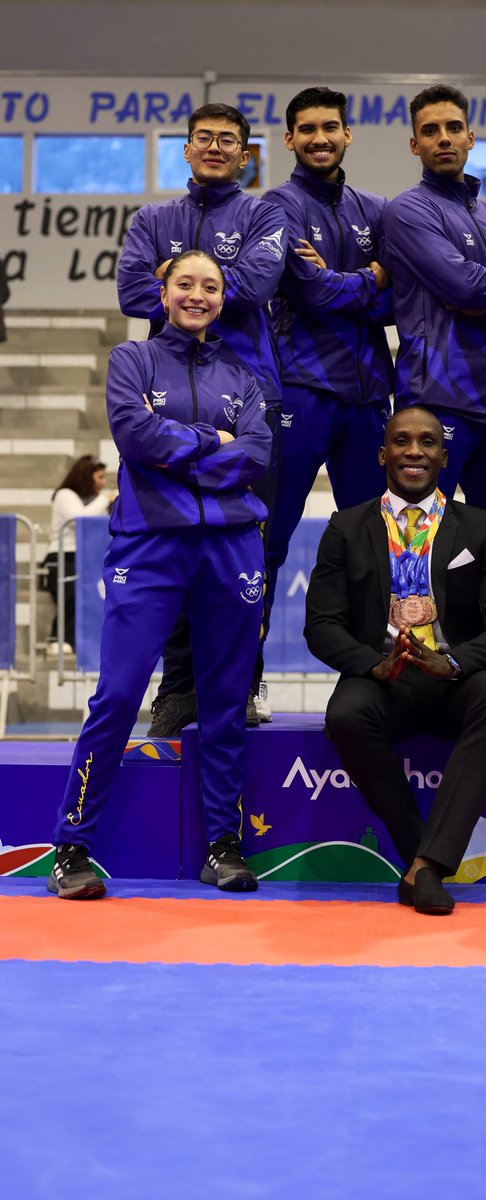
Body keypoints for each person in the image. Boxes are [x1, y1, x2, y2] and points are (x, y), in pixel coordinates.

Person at [48, 251, 271, 900]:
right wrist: (212, 444)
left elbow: (258, 454)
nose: (197, 295)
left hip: (231, 547)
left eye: (210, 285)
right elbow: (135, 437)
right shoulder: (133, 362)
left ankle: (222, 847)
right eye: (185, 284)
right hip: (148, 544)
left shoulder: (244, 374)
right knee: (117, 695)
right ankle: (72, 846)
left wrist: (183, 442)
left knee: (225, 704)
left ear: (222, 299)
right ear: (164, 294)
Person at [305, 406, 486, 916]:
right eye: (402, 441)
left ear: (443, 457)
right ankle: (423, 859)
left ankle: (425, 867)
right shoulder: (345, 527)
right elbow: (321, 625)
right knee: (344, 714)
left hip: (454, 678)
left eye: (427, 442)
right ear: (383, 454)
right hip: (382, 677)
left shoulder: (480, 527)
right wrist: (370, 664)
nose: (414, 451)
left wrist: (454, 664)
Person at [117, 103, 287, 736]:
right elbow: (132, 292)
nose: (215, 148)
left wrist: (178, 273)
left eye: (229, 141)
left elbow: (260, 281)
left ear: (247, 155)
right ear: (186, 150)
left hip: (248, 397)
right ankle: (177, 691)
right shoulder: (152, 217)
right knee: (174, 553)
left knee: (244, 554)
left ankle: (241, 682)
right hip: (166, 397)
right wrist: (212, 277)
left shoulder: (265, 211)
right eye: (203, 139)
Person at [382, 84, 486, 716]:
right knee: (419, 539)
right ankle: (409, 663)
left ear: (471, 137)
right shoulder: (407, 211)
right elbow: (465, 286)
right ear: (415, 143)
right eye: (431, 130)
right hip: (436, 400)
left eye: (454, 127)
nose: (444, 138)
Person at [262, 85, 394, 622]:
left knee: (374, 547)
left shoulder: (377, 209)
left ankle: (370, 679)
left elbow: (399, 300)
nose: (320, 139)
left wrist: (339, 282)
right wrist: (370, 277)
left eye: (330, 128)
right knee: (269, 539)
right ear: (290, 138)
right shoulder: (276, 206)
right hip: (301, 388)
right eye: (308, 130)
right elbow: (308, 292)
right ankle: (247, 679)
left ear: (347, 134)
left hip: (366, 400)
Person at [42, 456, 114, 655]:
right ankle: (59, 639)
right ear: (86, 476)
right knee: (70, 595)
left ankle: (69, 641)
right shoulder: (65, 494)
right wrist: (104, 499)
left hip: (84, 558)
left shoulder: (92, 502)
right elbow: (80, 520)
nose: (102, 482)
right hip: (62, 557)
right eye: (99, 477)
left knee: (79, 597)